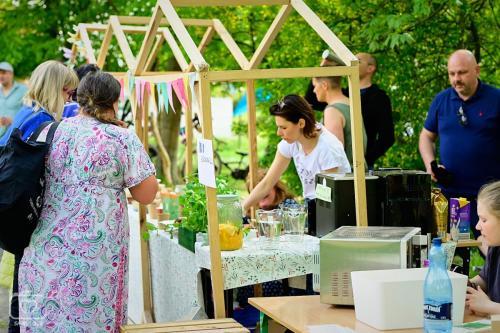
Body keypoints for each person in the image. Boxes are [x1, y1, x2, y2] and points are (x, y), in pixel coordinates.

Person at [18, 71, 157, 332]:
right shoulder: (122, 138)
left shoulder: (49, 130)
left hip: (47, 243)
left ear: (78, 98)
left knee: (50, 313)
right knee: (94, 316)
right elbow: (146, 194)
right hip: (99, 249)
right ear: (114, 101)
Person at [0, 60, 79, 333]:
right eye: (69, 93)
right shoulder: (43, 122)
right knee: (26, 294)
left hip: (14, 207)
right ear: (58, 89)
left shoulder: (26, 111)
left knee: (22, 289)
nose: (70, 99)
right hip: (25, 214)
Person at [418, 49, 500, 238]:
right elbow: (426, 137)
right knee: (450, 250)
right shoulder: (441, 100)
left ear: (477, 70)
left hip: (488, 196)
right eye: (452, 73)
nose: (456, 79)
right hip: (451, 194)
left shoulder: (495, 99)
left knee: (490, 249)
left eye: (462, 72)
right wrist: (430, 165)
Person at [242, 94, 351, 236]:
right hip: (313, 208)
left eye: (283, 127)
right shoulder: (291, 143)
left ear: (301, 123)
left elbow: (328, 198)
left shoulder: (328, 148)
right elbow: (267, 183)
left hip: (336, 214)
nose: (278, 133)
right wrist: (242, 208)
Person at [305, 51, 395, 169]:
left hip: (358, 164)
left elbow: (387, 137)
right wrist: (323, 68)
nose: (351, 62)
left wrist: (365, 158)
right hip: (344, 164)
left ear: (370, 68)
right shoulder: (343, 95)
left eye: (357, 61)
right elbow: (311, 100)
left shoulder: (379, 98)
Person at [312, 64, 367, 167]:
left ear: (324, 85)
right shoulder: (351, 104)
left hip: (346, 178)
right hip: (359, 173)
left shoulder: (332, 111)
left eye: (315, 86)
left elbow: (334, 154)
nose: (314, 90)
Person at [466, 180, 500, 316]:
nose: (477, 226)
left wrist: (488, 306)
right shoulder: (495, 247)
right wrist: (463, 285)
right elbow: (485, 279)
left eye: (484, 220)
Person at [0, 61, 28, 138]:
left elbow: (29, 113)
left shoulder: (24, 90)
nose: (1, 76)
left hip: (14, 137)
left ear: (11, 74)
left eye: (3, 73)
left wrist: (13, 121)